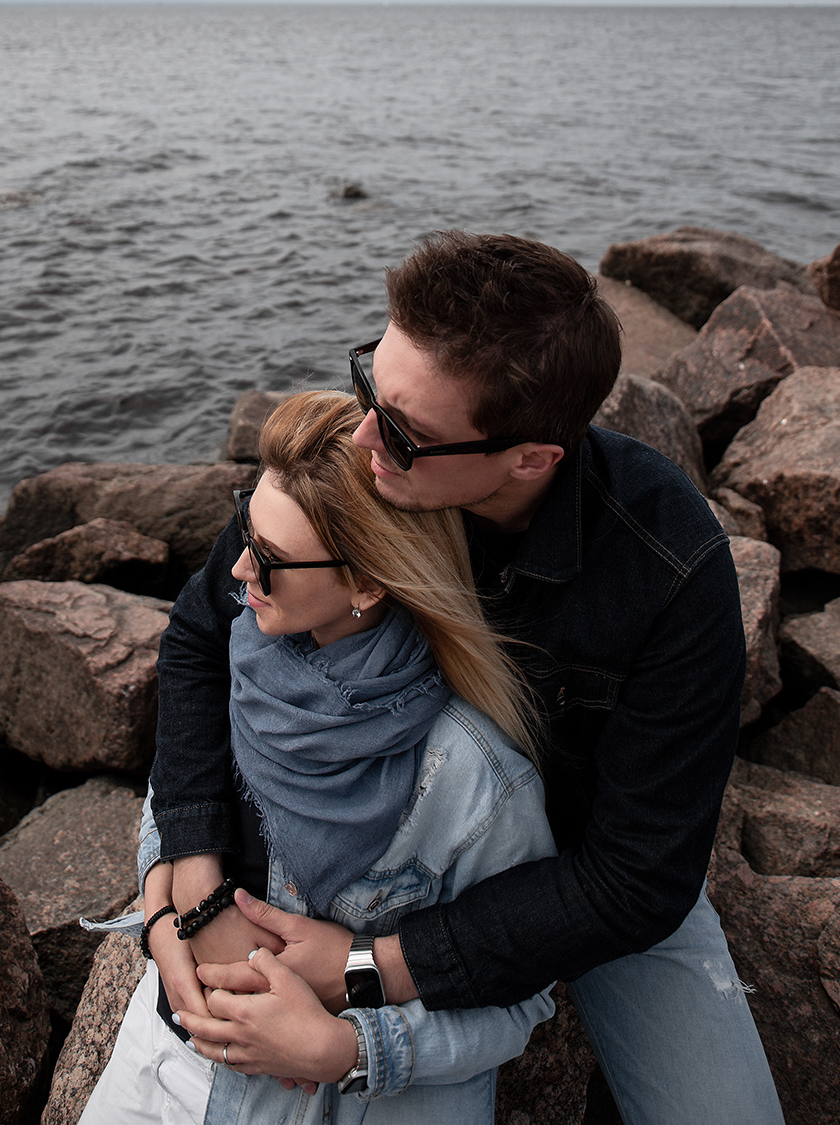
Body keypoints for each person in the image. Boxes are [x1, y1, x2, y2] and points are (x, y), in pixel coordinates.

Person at [147, 232, 786, 1125]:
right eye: (371, 379)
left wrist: (368, 967)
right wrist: (188, 866)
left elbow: (637, 880)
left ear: (530, 460)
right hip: (389, 852)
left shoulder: (666, 567)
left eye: (406, 432)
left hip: (573, 874)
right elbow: (197, 632)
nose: (365, 433)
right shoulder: (359, 463)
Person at [81, 388, 558, 1123]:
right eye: (245, 534)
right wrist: (163, 915)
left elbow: (522, 996)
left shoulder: (474, 777)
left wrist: (349, 1049)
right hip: (170, 1070)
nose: (239, 573)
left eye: (271, 559)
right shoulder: (237, 655)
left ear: (369, 582)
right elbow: (170, 794)